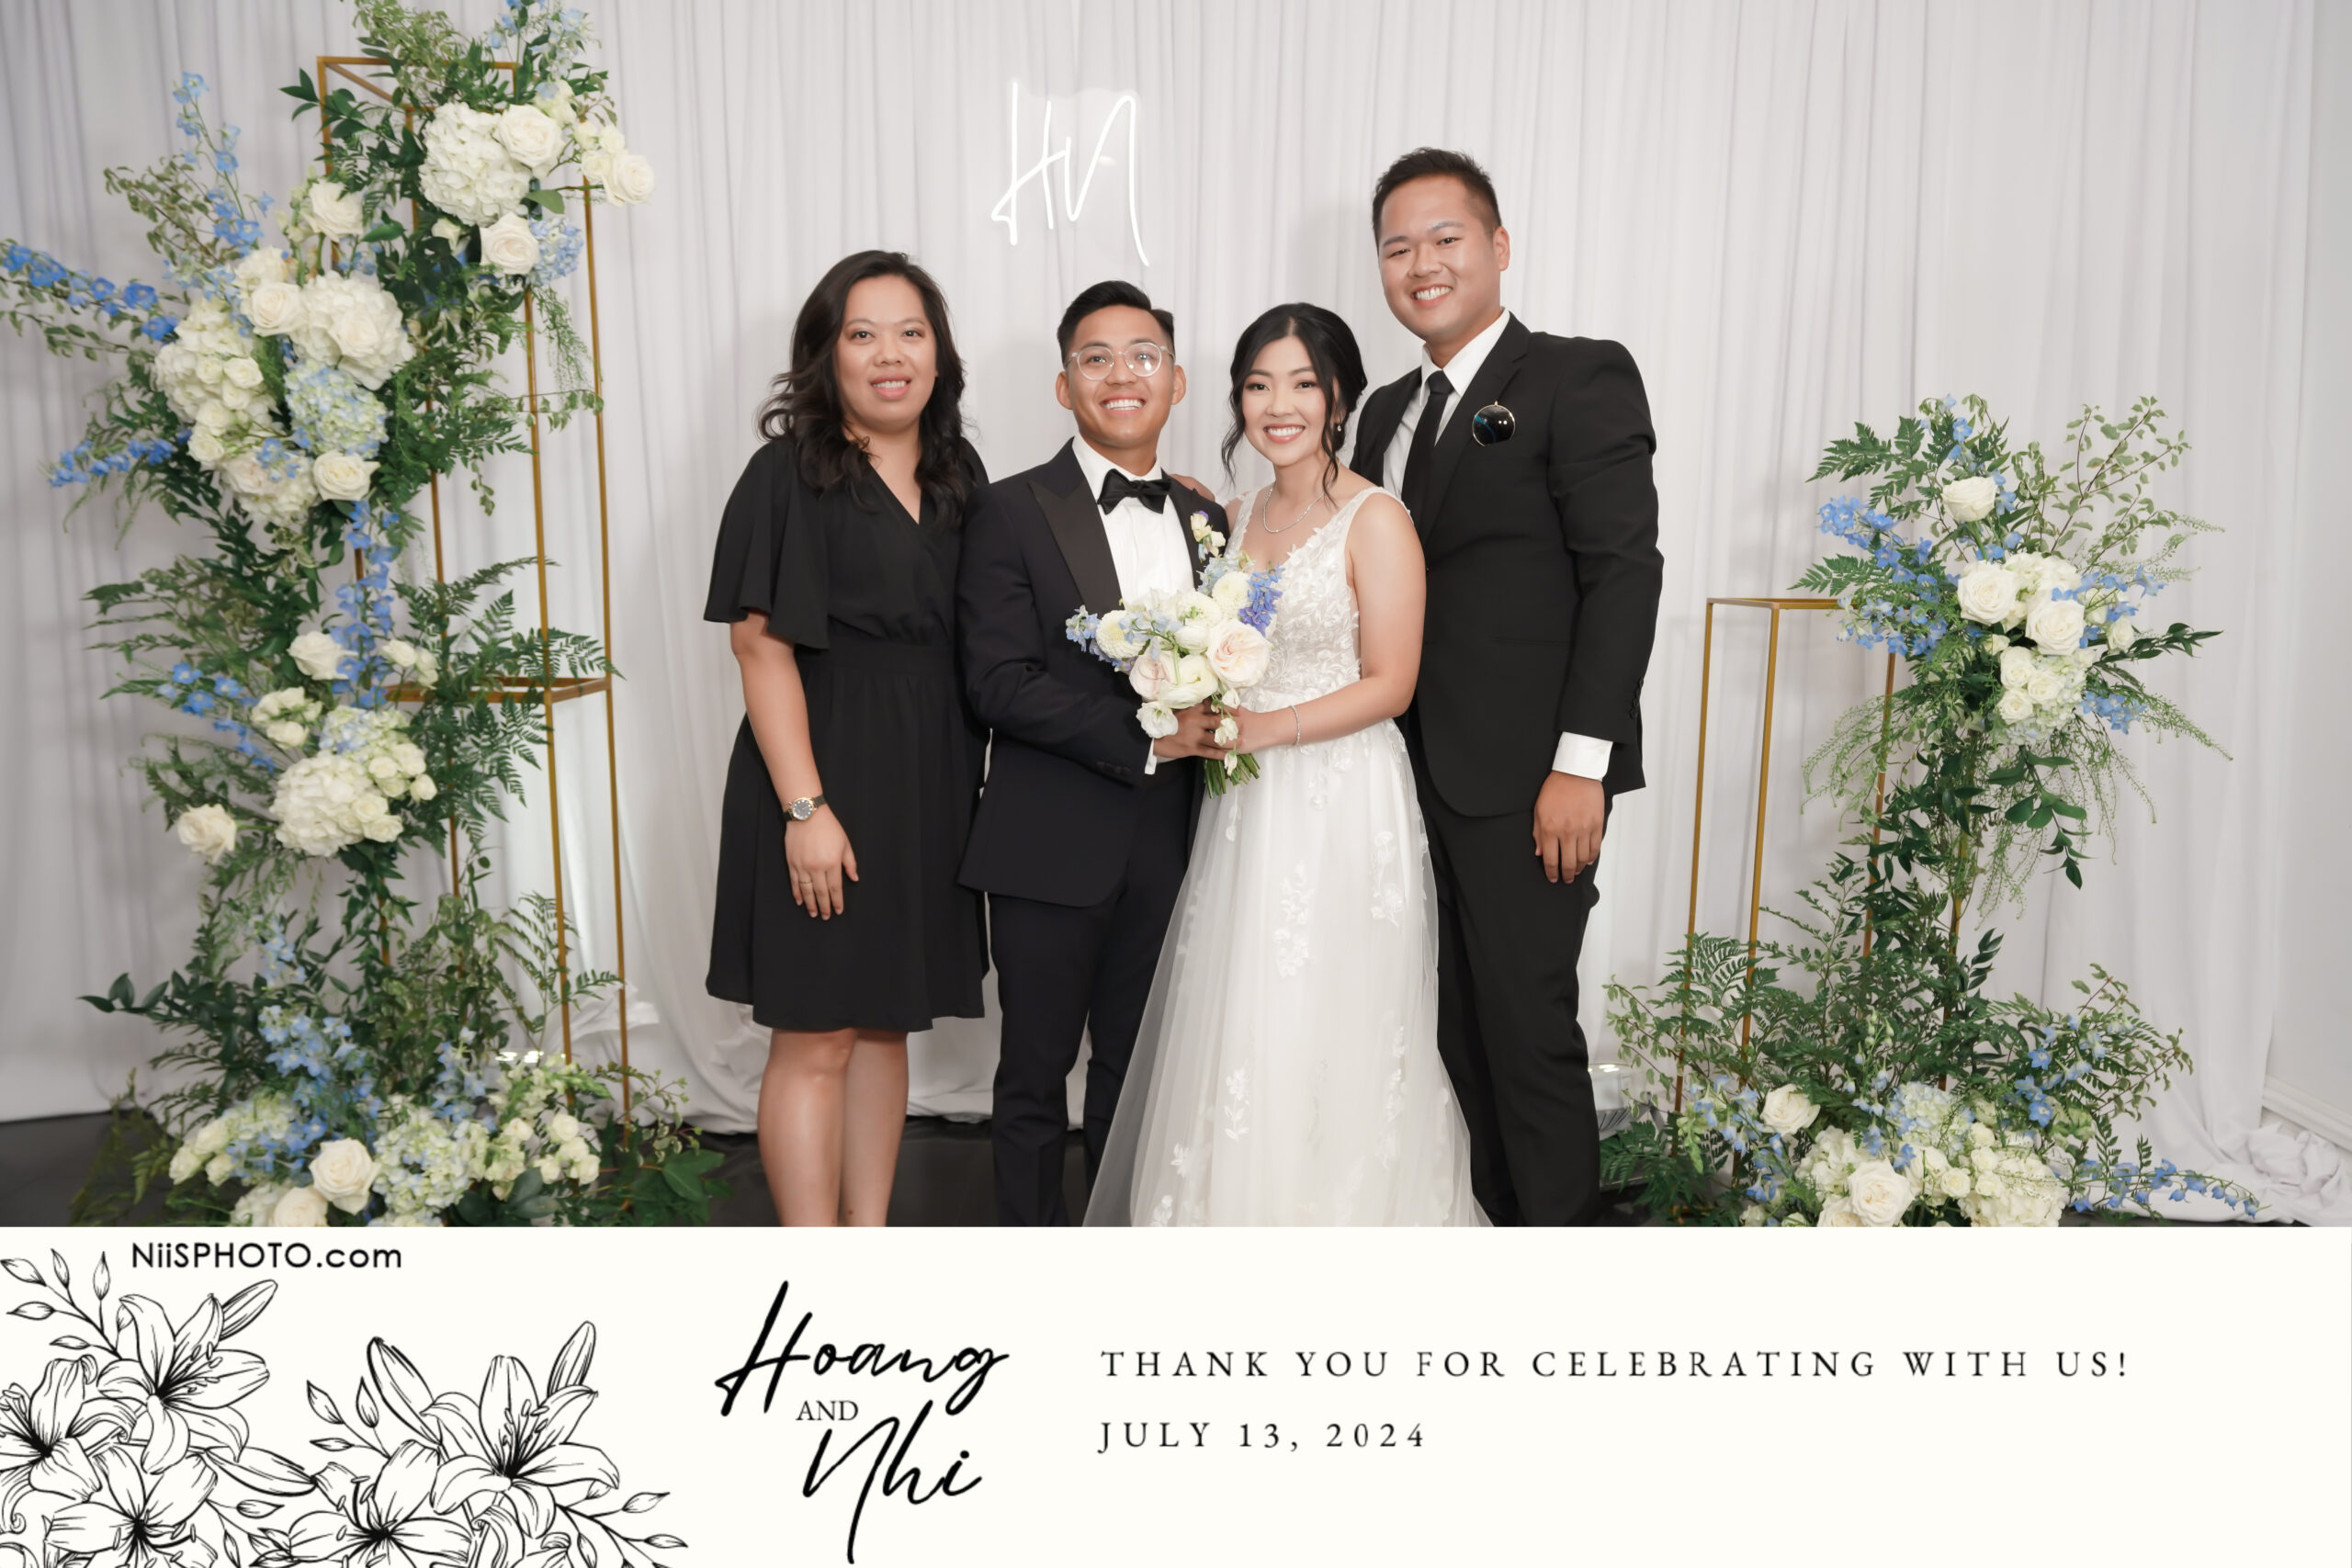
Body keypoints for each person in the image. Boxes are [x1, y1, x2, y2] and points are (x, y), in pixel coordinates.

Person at [1087, 303, 1485, 1226]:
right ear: (1236, 400)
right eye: (1259, 384)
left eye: (1303, 384)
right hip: (1246, 803)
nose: (1279, 405)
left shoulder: (1377, 519)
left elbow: (1392, 682)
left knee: (1336, 1011)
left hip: (1343, 796)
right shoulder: (1229, 517)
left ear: (1338, 398)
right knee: (1246, 1010)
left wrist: (1269, 729)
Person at [1348, 148, 1663, 1226]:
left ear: (1498, 246)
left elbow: (1622, 573)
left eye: (1445, 239)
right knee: (1445, 1027)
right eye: (1398, 247)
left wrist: (1582, 765)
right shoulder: (1383, 408)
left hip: (1529, 775)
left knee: (1525, 1029)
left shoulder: (1576, 376)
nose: (1421, 265)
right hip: (1396, 770)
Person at [704, 250, 989, 1226]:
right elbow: (759, 649)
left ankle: (868, 1242)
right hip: (819, 771)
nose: (889, 355)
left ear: (939, 353)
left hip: (926, 782)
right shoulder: (787, 474)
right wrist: (806, 809)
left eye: (911, 332)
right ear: (827, 356)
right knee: (815, 1033)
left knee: (883, 1025)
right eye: (863, 335)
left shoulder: (959, 475)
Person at [956, 280, 1229, 1225]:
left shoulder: (1207, 520)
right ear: (1064, 385)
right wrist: (1147, 736)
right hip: (1047, 840)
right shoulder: (1008, 510)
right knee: (1034, 1075)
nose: (1122, 375)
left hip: (1177, 841)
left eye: (1143, 356)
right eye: (1096, 358)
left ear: (1176, 381)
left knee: (1139, 1070)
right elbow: (997, 682)